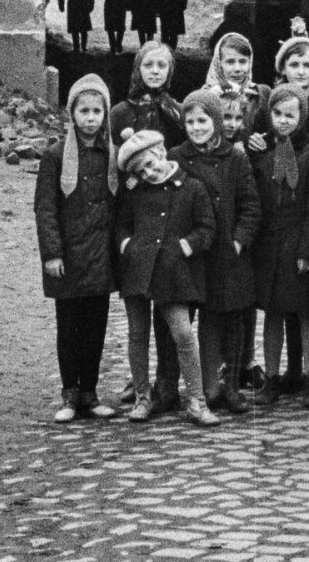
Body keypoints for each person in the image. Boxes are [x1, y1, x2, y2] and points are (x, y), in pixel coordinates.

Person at [115, 130, 219, 428]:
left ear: (162, 151)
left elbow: (206, 228)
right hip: (137, 270)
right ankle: (143, 396)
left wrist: (185, 247)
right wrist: (127, 247)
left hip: (172, 272)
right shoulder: (135, 191)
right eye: (140, 171)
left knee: (183, 334)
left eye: (150, 163)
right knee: (138, 333)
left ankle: (197, 401)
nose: (148, 173)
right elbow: (120, 226)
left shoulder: (192, 187)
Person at [33, 74, 119, 423]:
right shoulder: (56, 156)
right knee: (68, 328)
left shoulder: (111, 155)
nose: (90, 118)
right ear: (72, 114)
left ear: (105, 114)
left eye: (97, 111)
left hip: (99, 257)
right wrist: (52, 253)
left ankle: (90, 391)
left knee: (96, 327)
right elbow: (45, 208)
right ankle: (69, 393)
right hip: (67, 259)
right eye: (83, 110)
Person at [173, 89, 262, 416]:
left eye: (203, 120)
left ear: (216, 121)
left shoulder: (235, 157)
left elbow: (251, 206)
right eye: (190, 121)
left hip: (229, 252)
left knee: (234, 319)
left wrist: (239, 240)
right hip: (196, 253)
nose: (197, 127)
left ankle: (234, 385)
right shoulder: (177, 157)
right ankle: (206, 385)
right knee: (202, 320)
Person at [109, 42, 184, 411]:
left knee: (169, 308)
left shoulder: (177, 110)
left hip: (168, 213)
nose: (155, 72)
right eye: (149, 65)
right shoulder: (121, 112)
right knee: (138, 305)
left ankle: (168, 380)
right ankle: (137, 380)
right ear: (138, 69)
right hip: (135, 211)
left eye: (162, 66)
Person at [251, 84, 309, 408]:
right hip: (271, 244)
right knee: (273, 313)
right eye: (278, 115)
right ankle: (272, 376)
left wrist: (307, 252)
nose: (283, 121)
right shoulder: (264, 153)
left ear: (302, 116)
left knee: (308, 311)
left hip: (298, 243)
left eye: (290, 115)